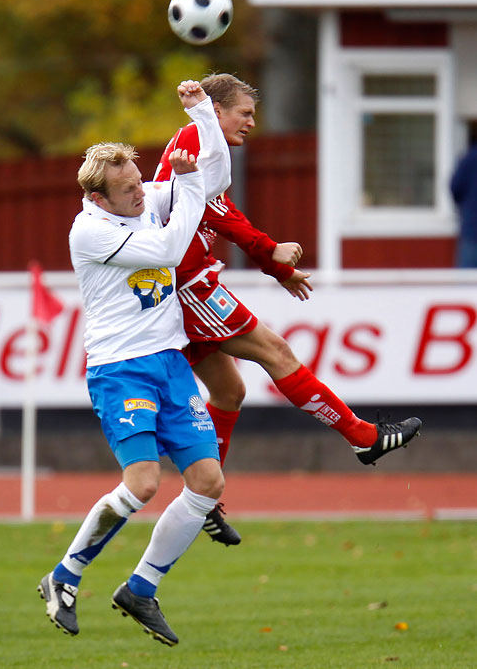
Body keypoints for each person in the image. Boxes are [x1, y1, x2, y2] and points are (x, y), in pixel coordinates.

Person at [155, 74, 423, 544]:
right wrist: (269, 249)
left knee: (230, 392)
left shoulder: (202, 139)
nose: (252, 122)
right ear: (216, 111)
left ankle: (203, 498)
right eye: (245, 113)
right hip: (188, 283)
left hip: (180, 280)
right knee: (277, 352)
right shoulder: (199, 138)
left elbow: (216, 206)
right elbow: (201, 208)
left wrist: (274, 263)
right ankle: (363, 438)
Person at [38, 80, 231, 646]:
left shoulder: (143, 200)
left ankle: (142, 588)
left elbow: (214, 173)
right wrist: (191, 187)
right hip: (121, 368)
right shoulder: (90, 230)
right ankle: (63, 576)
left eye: (139, 182)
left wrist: (200, 112)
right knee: (144, 482)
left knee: (207, 481)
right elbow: (172, 249)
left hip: (170, 364)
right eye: (126, 190)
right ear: (99, 198)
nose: (140, 196)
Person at [450, 121, 477, 268]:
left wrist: (465, 208)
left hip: (472, 232)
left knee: (467, 287)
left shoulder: (468, 159)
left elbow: (455, 188)